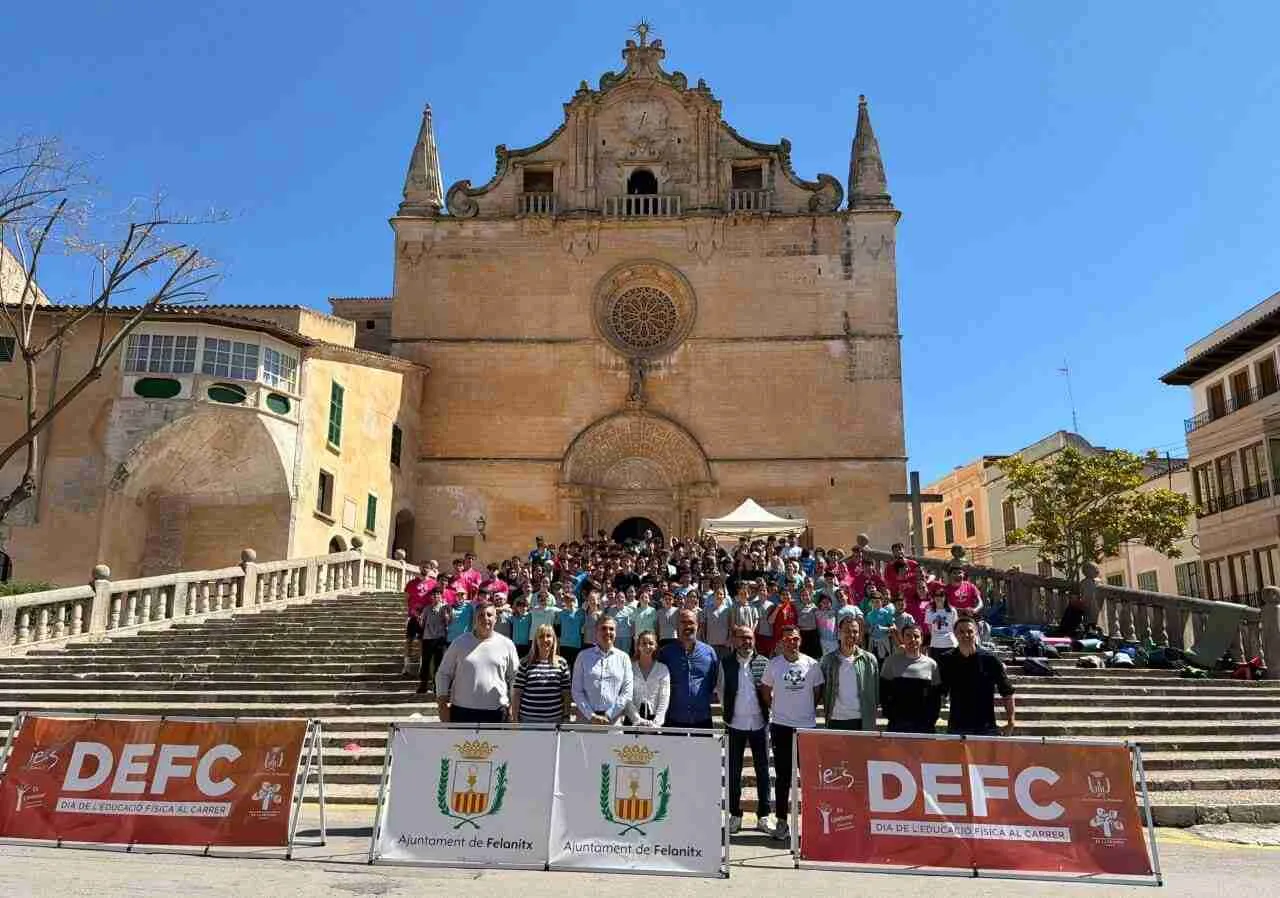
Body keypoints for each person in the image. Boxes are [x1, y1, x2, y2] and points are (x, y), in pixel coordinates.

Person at [761, 624, 823, 843]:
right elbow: (766, 692)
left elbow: (817, 694)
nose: (792, 642)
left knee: (809, 777)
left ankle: (813, 822)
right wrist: (780, 709)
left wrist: (803, 712)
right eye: (787, 639)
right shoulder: (773, 664)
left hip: (806, 727)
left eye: (795, 639)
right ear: (781, 642)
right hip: (781, 726)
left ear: (800, 641)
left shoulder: (812, 665)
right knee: (783, 777)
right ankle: (781, 821)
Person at [717, 625, 771, 835]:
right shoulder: (726, 663)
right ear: (734, 640)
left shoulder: (764, 662)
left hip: (759, 724)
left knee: (763, 771)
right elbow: (721, 691)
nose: (746, 642)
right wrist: (728, 712)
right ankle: (735, 816)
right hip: (734, 724)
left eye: (750, 638)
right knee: (733, 771)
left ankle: (764, 815)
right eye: (742, 638)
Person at [435, 601, 520, 724]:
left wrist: (513, 705)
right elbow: (443, 673)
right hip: (462, 712)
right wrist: (442, 704)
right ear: (475, 619)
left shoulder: (507, 644)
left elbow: (515, 677)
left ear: (496, 619)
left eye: (489, 615)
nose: (485, 618)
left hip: (497, 712)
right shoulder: (459, 643)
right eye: (481, 615)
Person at [939, 616, 1016, 736]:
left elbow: (1007, 691)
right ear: (955, 634)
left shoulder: (990, 659)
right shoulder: (946, 660)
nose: (966, 635)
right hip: (957, 727)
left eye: (970, 631)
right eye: (961, 632)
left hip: (986, 727)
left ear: (976, 633)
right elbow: (939, 693)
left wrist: (1011, 721)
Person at [658, 609, 718, 729]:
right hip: (673, 719)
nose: (687, 626)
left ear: (698, 625)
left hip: (702, 718)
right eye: (683, 622)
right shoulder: (665, 653)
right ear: (677, 626)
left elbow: (714, 680)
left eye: (691, 622)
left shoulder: (709, 652)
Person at [879, 620, 942, 733]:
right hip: (897, 725)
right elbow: (884, 693)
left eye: (916, 636)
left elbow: (935, 699)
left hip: (924, 726)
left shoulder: (931, 664)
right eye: (908, 636)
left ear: (921, 639)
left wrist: (931, 720)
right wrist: (891, 715)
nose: (912, 639)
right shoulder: (891, 662)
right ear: (902, 638)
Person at [820, 615, 879, 730]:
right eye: (847, 631)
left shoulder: (870, 659)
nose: (851, 635)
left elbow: (875, 693)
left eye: (855, 631)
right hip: (836, 718)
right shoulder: (828, 660)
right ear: (839, 632)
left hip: (862, 720)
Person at [571, 616, 633, 725]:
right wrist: (591, 715)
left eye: (611, 629)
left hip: (613, 721)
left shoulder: (624, 658)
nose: (607, 632)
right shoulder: (583, 656)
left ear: (616, 632)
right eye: (603, 628)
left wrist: (609, 714)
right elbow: (577, 690)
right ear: (596, 632)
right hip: (586, 720)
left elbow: (627, 692)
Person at [511, 624, 572, 724]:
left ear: (554, 640)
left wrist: (566, 716)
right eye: (541, 636)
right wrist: (514, 717)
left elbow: (566, 694)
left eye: (548, 636)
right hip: (528, 720)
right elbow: (517, 693)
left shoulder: (562, 663)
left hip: (554, 720)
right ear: (536, 641)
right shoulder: (525, 663)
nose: (545, 639)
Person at [626, 630, 670, 727]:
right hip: (633, 721)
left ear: (655, 646)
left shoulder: (662, 669)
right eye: (644, 643)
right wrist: (637, 719)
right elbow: (627, 697)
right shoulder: (629, 667)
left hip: (654, 721)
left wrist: (656, 722)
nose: (647, 646)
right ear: (638, 646)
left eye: (651, 643)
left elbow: (664, 698)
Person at [416, 584, 449, 695]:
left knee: (438, 664)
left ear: (441, 596)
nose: (436, 597)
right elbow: (422, 624)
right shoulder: (427, 609)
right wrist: (419, 619)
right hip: (428, 638)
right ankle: (423, 685)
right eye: (434, 595)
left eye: (438, 595)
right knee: (425, 662)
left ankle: (436, 686)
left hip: (440, 638)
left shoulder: (445, 607)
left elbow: (448, 622)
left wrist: (446, 617)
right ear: (431, 597)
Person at [403, 563, 434, 675]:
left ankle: (422, 667)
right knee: (408, 640)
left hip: (425, 617)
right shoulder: (411, 583)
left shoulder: (433, 583)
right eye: (423, 567)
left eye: (427, 567)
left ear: (431, 570)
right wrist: (408, 614)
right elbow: (406, 599)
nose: (425, 569)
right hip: (412, 616)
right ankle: (406, 666)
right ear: (419, 568)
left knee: (422, 642)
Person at [925, 588, 959, 660]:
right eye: (936, 595)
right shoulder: (929, 611)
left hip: (950, 644)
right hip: (935, 644)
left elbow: (955, 627)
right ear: (933, 597)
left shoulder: (952, 611)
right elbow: (930, 628)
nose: (938, 597)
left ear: (945, 597)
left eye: (941, 595)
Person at [557, 592, 584, 668]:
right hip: (564, 644)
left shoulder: (580, 612)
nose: (570, 602)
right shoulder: (561, 613)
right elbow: (558, 629)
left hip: (576, 644)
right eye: (567, 600)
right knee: (563, 666)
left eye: (571, 600)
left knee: (575, 667)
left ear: (574, 601)